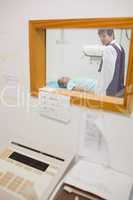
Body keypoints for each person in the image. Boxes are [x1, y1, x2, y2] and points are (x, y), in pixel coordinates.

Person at [97, 29, 125, 97]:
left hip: (108, 92)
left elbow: (107, 75)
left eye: (104, 36)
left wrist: (100, 92)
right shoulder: (120, 47)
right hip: (117, 89)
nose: (101, 39)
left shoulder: (108, 49)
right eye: (100, 37)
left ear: (111, 35)